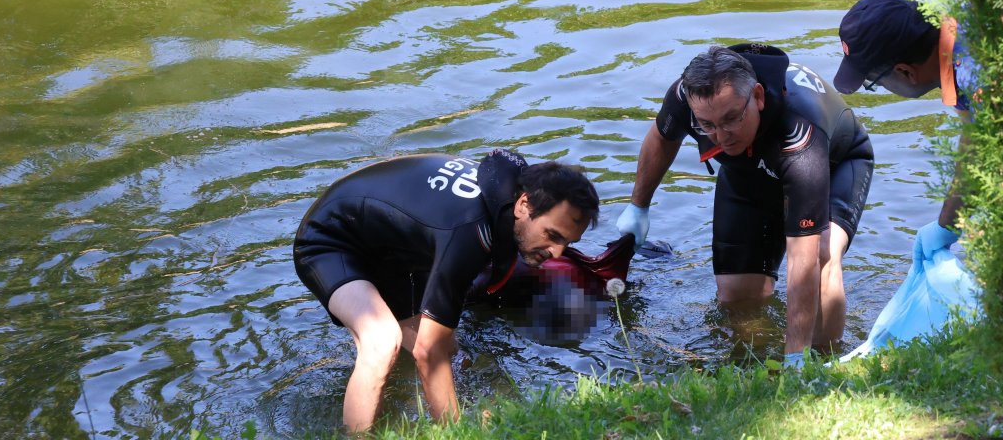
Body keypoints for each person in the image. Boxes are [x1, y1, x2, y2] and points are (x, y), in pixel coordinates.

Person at [293, 149, 599, 433]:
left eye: (567, 243)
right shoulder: (470, 232)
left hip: (389, 249)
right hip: (330, 240)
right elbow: (429, 353)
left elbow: (436, 348)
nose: (558, 253)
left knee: (449, 351)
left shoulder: (510, 197)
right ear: (523, 205)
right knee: (383, 342)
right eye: (552, 235)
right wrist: (457, 432)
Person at [615, 43, 874, 365]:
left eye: (731, 119)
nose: (720, 137)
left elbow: (802, 263)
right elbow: (662, 138)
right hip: (751, 172)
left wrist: (795, 359)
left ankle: (822, 363)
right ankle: (747, 363)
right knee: (736, 295)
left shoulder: (798, 134)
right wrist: (639, 206)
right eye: (706, 125)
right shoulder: (685, 97)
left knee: (821, 257)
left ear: (759, 97)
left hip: (835, 166)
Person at [832, 0, 981, 230]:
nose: (879, 88)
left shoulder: (976, 79)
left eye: (875, 83)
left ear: (905, 72)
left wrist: (946, 225)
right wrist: (947, 225)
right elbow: (975, 135)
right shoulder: (959, 24)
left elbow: (990, 151)